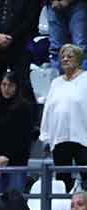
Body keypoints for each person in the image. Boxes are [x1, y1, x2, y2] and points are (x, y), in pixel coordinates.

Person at [40, 45, 87, 193]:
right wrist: (45, 136)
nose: (65, 59)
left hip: (83, 137)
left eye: (69, 56)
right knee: (62, 180)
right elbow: (48, 110)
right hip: (59, 137)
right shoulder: (56, 83)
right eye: (63, 57)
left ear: (78, 59)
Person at [0, 70, 35, 194]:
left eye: (10, 85)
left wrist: (7, 157)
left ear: (16, 87)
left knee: (15, 200)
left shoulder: (24, 108)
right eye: (4, 84)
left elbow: (24, 138)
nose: (6, 88)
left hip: (17, 162)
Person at [0, 0, 39, 100]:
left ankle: (25, 109)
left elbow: (31, 20)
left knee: (23, 85)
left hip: (20, 46)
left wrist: (12, 37)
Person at [49, 0, 87, 72]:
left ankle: (82, 78)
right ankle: (58, 79)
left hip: (78, 4)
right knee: (56, 49)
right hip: (53, 5)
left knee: (80, 48)